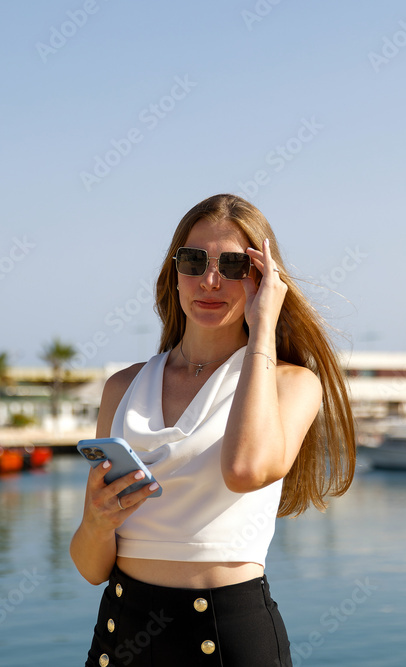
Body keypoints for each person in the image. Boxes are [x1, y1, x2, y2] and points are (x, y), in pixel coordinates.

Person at [71, 193, 356, 666]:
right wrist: (98, 523)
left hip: (224, 640)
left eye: (233, 265)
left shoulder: (292, 383)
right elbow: (90, 568)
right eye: (194, 259)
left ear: (264, 280)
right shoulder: (121, 387)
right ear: (173, 271)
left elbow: (245, 470)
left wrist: (262, 327)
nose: (210, 279)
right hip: (121, 637)